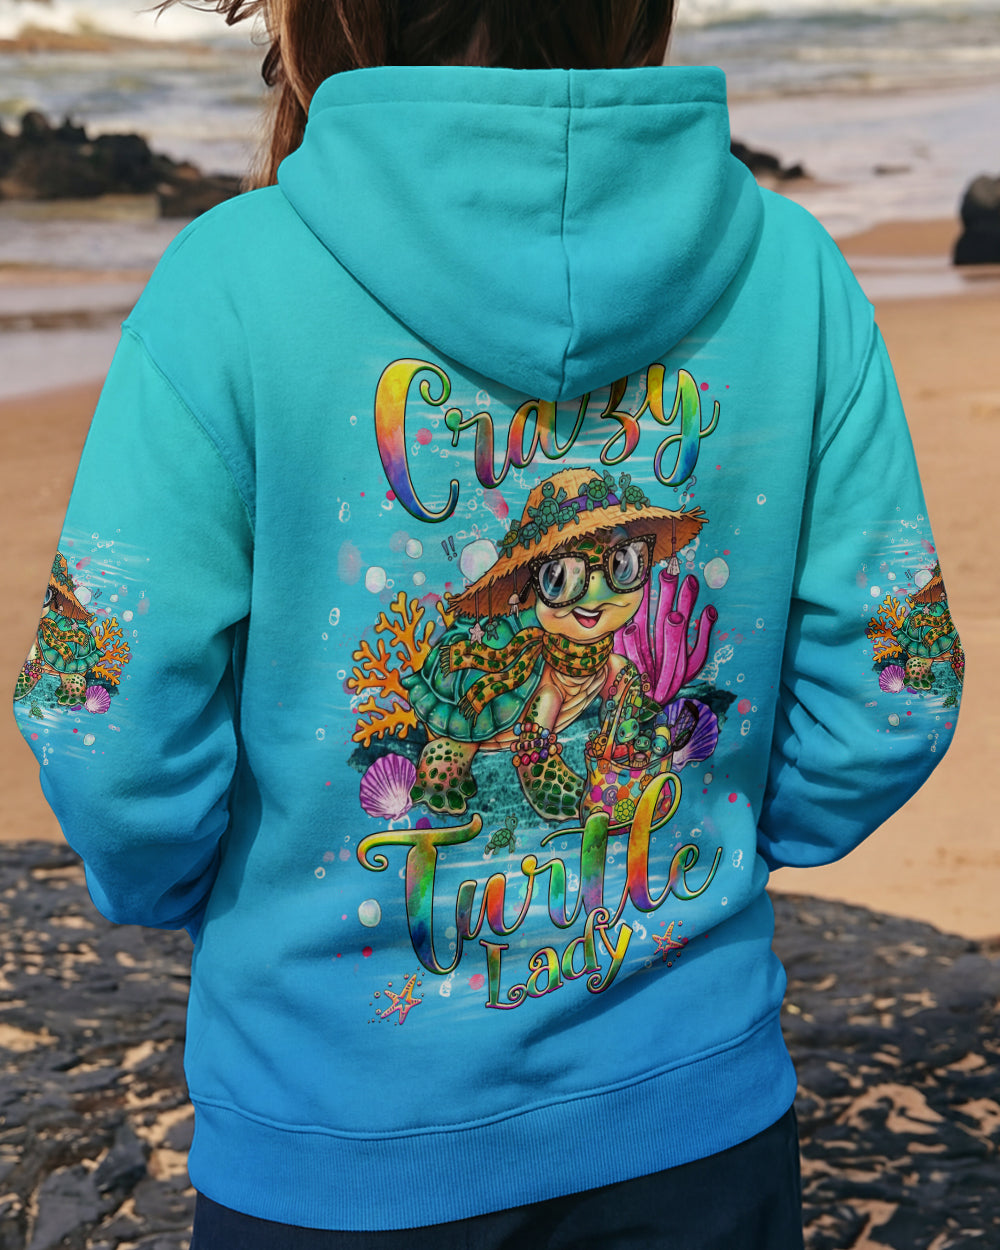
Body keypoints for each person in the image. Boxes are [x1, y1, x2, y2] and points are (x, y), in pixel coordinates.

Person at [13, 1, 964, 1246]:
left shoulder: (226, 285)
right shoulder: (793, 274)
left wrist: (200, 893)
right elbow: (897, 688)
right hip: (696, 1121)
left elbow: (102, 722)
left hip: (332, 1130)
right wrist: (723, 834)